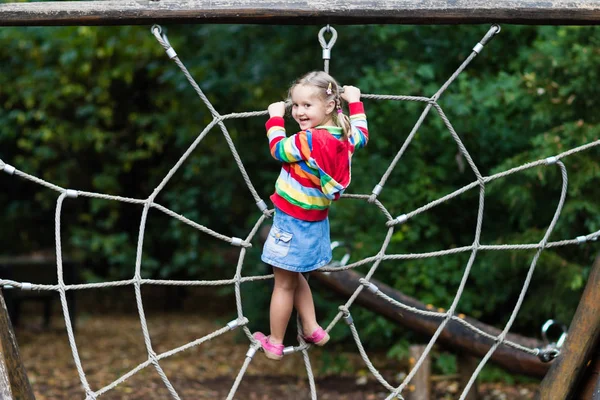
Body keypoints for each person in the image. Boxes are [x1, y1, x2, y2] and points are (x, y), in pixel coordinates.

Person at [253, 71, 369, 360]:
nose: (299, 112)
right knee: (296, 274)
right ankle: (313, 327)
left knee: (282, 283)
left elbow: (278, 149)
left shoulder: (308, 140)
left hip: (290, 220)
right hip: (317, 221)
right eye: (294, 106)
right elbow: (363, 136)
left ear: (328, 106)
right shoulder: (344, 136)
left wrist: (275, 117)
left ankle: (275, 342)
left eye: (307, 105)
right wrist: (355, 102)